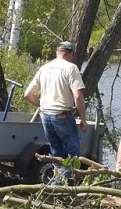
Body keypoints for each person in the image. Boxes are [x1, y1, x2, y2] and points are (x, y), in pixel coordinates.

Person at [24, 40, 88, 183]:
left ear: (57, 53)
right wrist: (83, 118)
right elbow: (77, 96)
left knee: (56, 153)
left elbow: (27, 94)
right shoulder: (71, 68)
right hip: (62, 117)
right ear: (70, 54)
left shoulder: (44, 68)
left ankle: (56, 183)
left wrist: (42, 105)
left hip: (46, 117)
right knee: (73, 154)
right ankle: (64, 185)